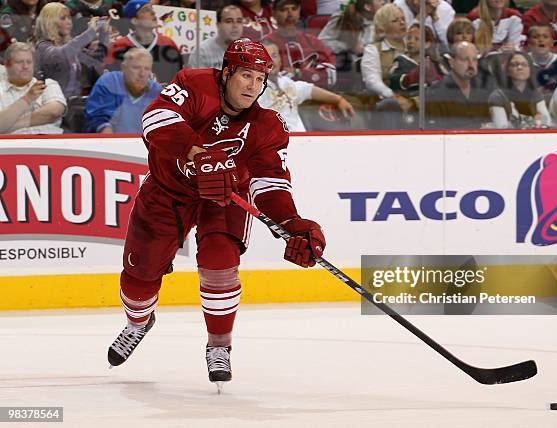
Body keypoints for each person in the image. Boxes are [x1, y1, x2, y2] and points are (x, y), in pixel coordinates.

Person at [106, 38, 326, 389]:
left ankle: (219, 346)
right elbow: (155, 119)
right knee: (140, 274)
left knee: (220, 265)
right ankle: (138, 323)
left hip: (225, 197)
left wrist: (293, 225)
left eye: (259, 79)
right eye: (245, 76)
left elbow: (271, 184)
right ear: (227, 73)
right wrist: (195, 153)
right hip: (168, 191)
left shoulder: (268, 126)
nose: (253, 86)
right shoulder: (194, 84)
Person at [258, 39, 355, 131]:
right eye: (265, 56)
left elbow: (309, 90)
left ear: (280, 60)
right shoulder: (254, 88)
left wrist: (339, 100)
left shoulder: (287, 83)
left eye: (274, 56)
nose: (270, 60)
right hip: (273, 144)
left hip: (301, 140)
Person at [34, 2, 109, 98]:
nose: (69, 22)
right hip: (53, 102)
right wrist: (90, 32)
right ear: (49, 21)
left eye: (69, 17)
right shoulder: (43, 46)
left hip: (74, 102)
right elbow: (61, 55)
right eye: (63, 18)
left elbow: (96, 59)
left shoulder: (70, 46)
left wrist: (103, 34)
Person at [105, 0, 183, 85]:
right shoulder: (118, 46)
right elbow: (112, 84)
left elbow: (180, 79)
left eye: (152, 9)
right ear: (134, 20)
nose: (153, 13)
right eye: (146, 10)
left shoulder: (168, 43)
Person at [84, 48, 162, 133]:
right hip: (112, 143)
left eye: (147, 69)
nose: (142, 74)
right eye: (136, 67)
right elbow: (98, 119)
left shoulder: (157, 92)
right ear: (124, 68)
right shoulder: (109, 83)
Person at [263, 0, 337, 88]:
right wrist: (312, 75)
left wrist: (299, 73)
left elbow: (331, 74)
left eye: (294, 9)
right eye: (284, 10)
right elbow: (266, 78)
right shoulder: (266, 44)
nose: (290, 14)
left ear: (299, 12)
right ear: (274, 14)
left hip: (315, 95)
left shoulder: (313, 42)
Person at [0, 42, 66, 134]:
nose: (25, 66)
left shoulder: (48, 84)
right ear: (7, 65)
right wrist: (27, 99)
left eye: (29, 62)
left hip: (49, 143)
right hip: (13, 145)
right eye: (19, 62)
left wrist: (10, 125)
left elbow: (53, 112)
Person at [425, 41, 493, 129]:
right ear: (451, 62)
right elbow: (436, 135)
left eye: (474, 59)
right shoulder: (435, 94)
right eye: (465, 59)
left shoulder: (485, 89)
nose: (471, 65)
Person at [488, 51, 551, 128]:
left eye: (524, 64)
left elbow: (546, 122)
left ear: (530, 70)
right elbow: (501, 127)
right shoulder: (498, 96)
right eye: (514, 65)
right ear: (507, 70)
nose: (520, 67)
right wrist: (535, 122)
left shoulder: (536, 94)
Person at [318, 0, 384, 59]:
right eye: (379, 0)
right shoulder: (343, 18)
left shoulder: (382, 17)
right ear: (367, 7)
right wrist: (349, 46)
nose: (383, 2)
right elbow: (321, 42)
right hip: (348, 67)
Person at [526, 23, 557, 97]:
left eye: (545, 37)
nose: (541, 40)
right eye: (536, 37)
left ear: (552, 42)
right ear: (529, 43)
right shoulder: (521, 62)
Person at [187, 5, 244, 69]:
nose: (235, 26)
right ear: (218, 25)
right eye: (229, 21)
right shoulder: (201, 52)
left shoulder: (248, 49)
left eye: (239, 21)